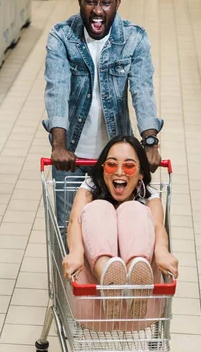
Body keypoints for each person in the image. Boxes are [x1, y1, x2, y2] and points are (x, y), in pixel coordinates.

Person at [43, 0, 163, 227]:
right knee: (68, 230)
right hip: (72, 158)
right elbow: (57, 88)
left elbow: (143, 90)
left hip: (116, 163)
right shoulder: (62, 36)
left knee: (116, 232)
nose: (98, 10)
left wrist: (150, 142)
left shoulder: (134, 38)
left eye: (106, 3)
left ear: (117, 3)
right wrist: (59, 146)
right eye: (90, 2)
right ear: (80, 2)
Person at [62, 136, 179, 326]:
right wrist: (75, 252)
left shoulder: (150, 199)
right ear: (102, 168)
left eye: (129, 166)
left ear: (141, 173)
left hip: (140, 312)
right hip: (92, 299)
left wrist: (163, 252)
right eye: (111, 164)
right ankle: (107, 276)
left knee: (133, 210)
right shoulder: (89, 190)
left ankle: (136, 278)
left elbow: (158, 228)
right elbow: (74, 222)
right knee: (99, 208)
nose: (119, 172)